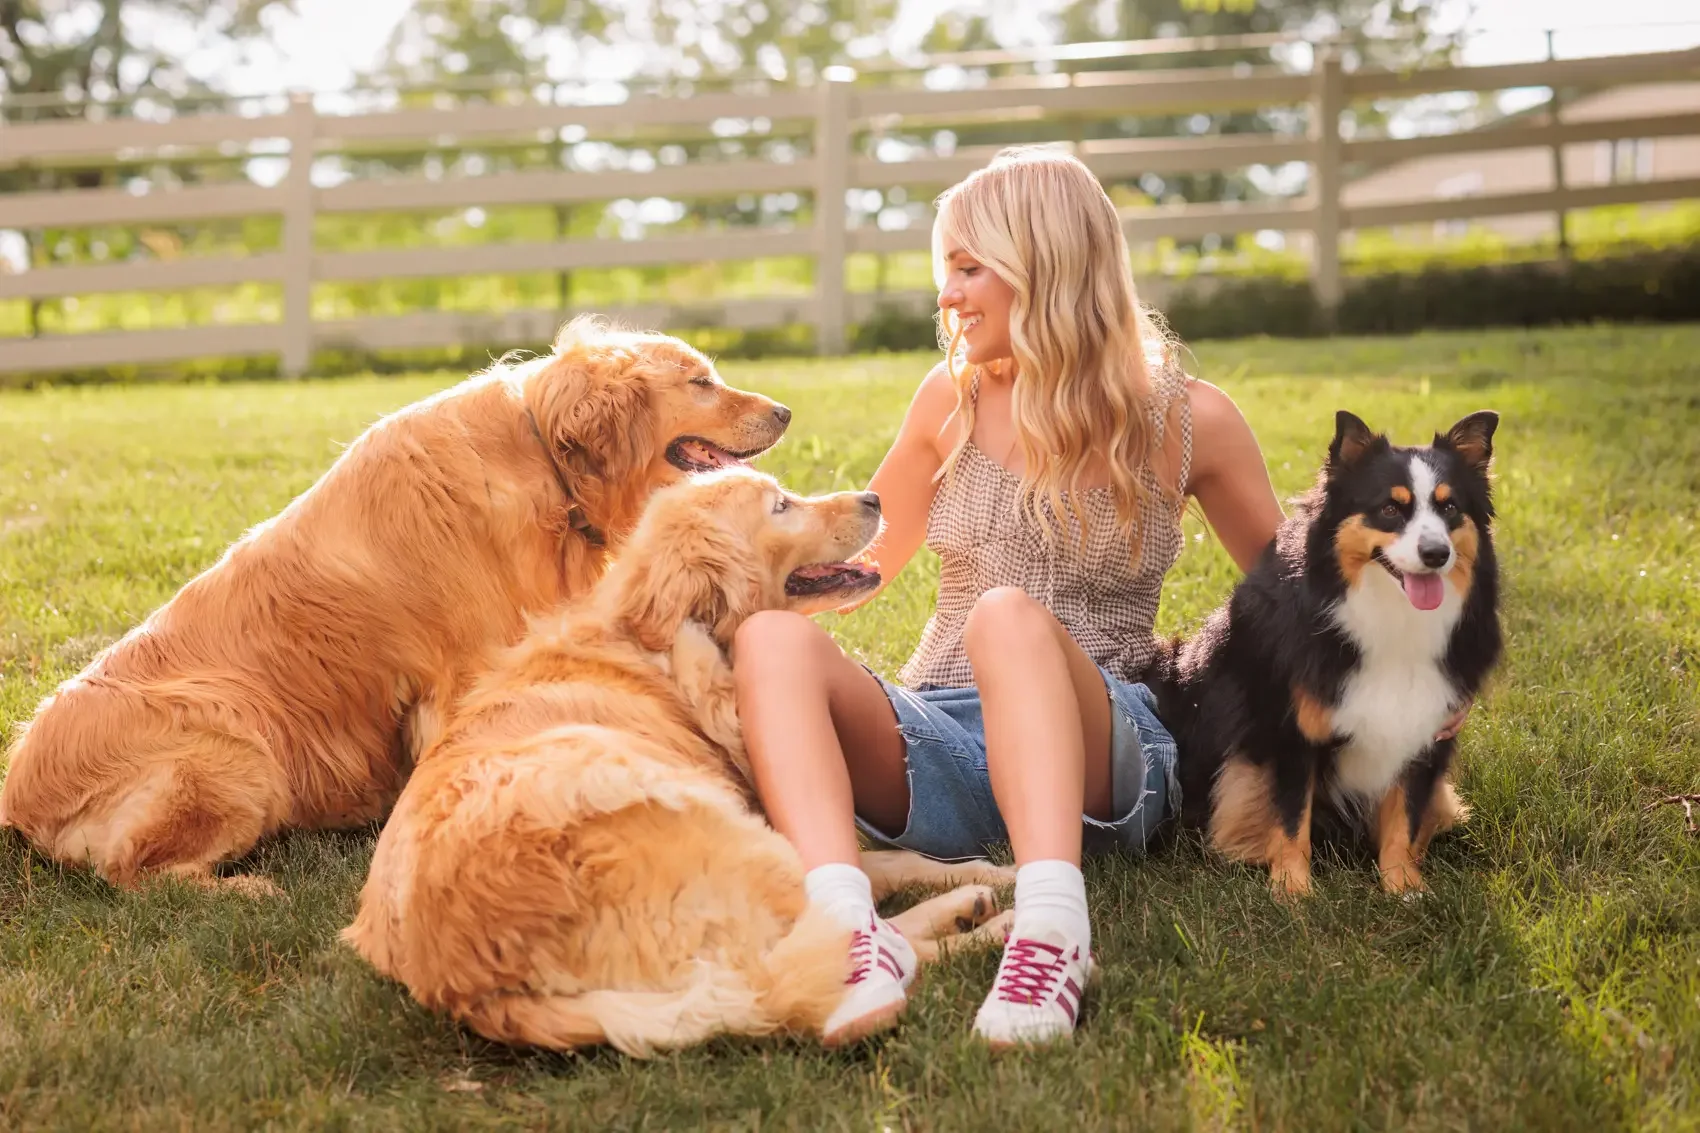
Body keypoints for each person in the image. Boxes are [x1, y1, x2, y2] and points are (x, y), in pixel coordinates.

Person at [732, 146, 1466, 1048]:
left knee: (1006, 614)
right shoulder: (947, 399)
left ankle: (1052, 931)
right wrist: (747, 564)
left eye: (968, 267)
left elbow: (1302, 592)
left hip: (1104, 741)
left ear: (1044, 265)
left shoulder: (1191, 418)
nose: (947, 295)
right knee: (768, 641)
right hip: (940, 738)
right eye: (944, 271)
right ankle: (848, 933)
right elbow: (866, 562)